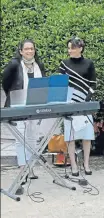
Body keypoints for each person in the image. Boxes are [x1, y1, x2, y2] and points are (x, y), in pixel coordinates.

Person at [2, 39, 46, 194]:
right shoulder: (14, 64)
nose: (29, 51)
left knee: (33, 137)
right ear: (20, 51)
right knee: (20, 138)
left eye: (32, 49)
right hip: (18, 106)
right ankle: (22, 168)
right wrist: (14, 95)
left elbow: (43, 83)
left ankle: (31, 167)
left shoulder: (39, 65)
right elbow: (5, 83)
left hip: (35, 105)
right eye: (26, 49)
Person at [59, 37, 96, 176]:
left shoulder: (89, 63)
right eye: (68, 48)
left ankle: (86, 164)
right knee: (70, 137)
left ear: (80, 48)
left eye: (73, 48)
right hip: (69, 104)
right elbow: (60, 84)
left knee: (87, 136)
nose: (70, 51)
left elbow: (93, 84)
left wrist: (86, 100)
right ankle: (74, 165)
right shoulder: (64, 64)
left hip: (84, 104)